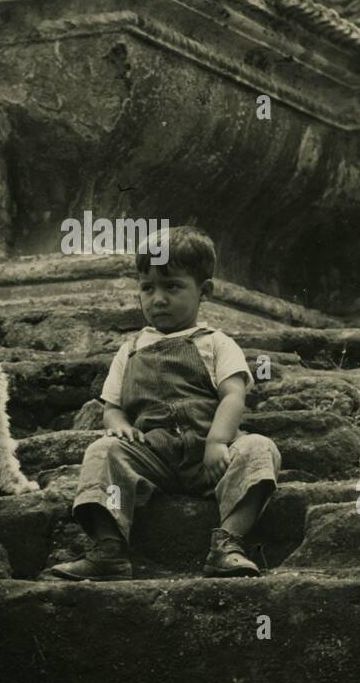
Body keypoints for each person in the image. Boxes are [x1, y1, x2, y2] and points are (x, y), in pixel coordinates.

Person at [50, 226, 281, 581]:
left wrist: (218, 442)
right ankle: (109, 548)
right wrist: (119, 426)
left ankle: (228, 542)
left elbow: (234, 395)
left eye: (172, 287)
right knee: (103, 452)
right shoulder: (129, 350)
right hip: (153, 456)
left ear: (204, 291)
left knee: (260, 449)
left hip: (210, 457)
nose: (157, 299)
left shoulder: (216, 343)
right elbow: (111, 406)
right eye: (147, 288)